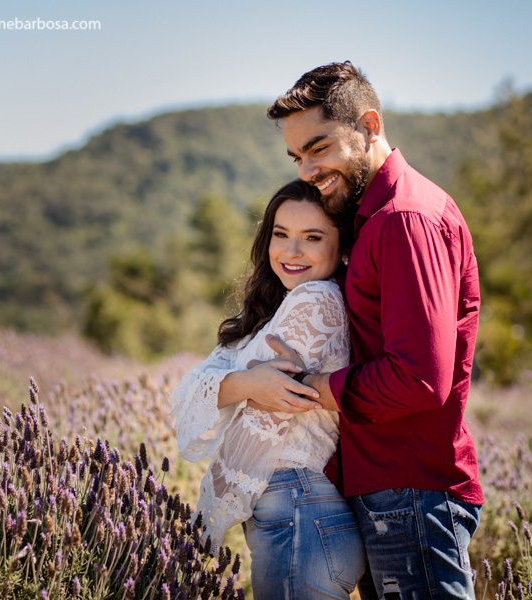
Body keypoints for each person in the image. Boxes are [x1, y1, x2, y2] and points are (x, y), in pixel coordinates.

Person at [225, 61, 483, 599]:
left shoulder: (404, 219)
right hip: (388, 487)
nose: (307, 170)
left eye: (318, 148)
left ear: (369, 125)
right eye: (297, 157)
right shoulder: (370, 218)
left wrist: (312, 389)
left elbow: (419, 377)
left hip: (412, 488)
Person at [170, 179, 366, 600]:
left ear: (343, 248)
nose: (291, 252)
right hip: (297, 516)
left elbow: (254, 417)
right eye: (281, 234)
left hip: (299, 513)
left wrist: (231, 386)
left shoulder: (316, 301)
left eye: (312, 238)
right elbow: (188, 391)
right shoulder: (275, 309)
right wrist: (247, 382)